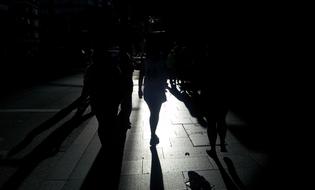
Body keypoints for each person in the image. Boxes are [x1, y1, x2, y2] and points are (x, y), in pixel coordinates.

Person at [138, 30, 168, 146]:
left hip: (150, 90)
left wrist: (139, 89)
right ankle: (152, 133)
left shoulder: (146, 60)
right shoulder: (161, 60)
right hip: (157, 89)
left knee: (153, 112)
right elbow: (164, 74)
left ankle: (153, 134)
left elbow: (141, 74)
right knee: (155, 113)